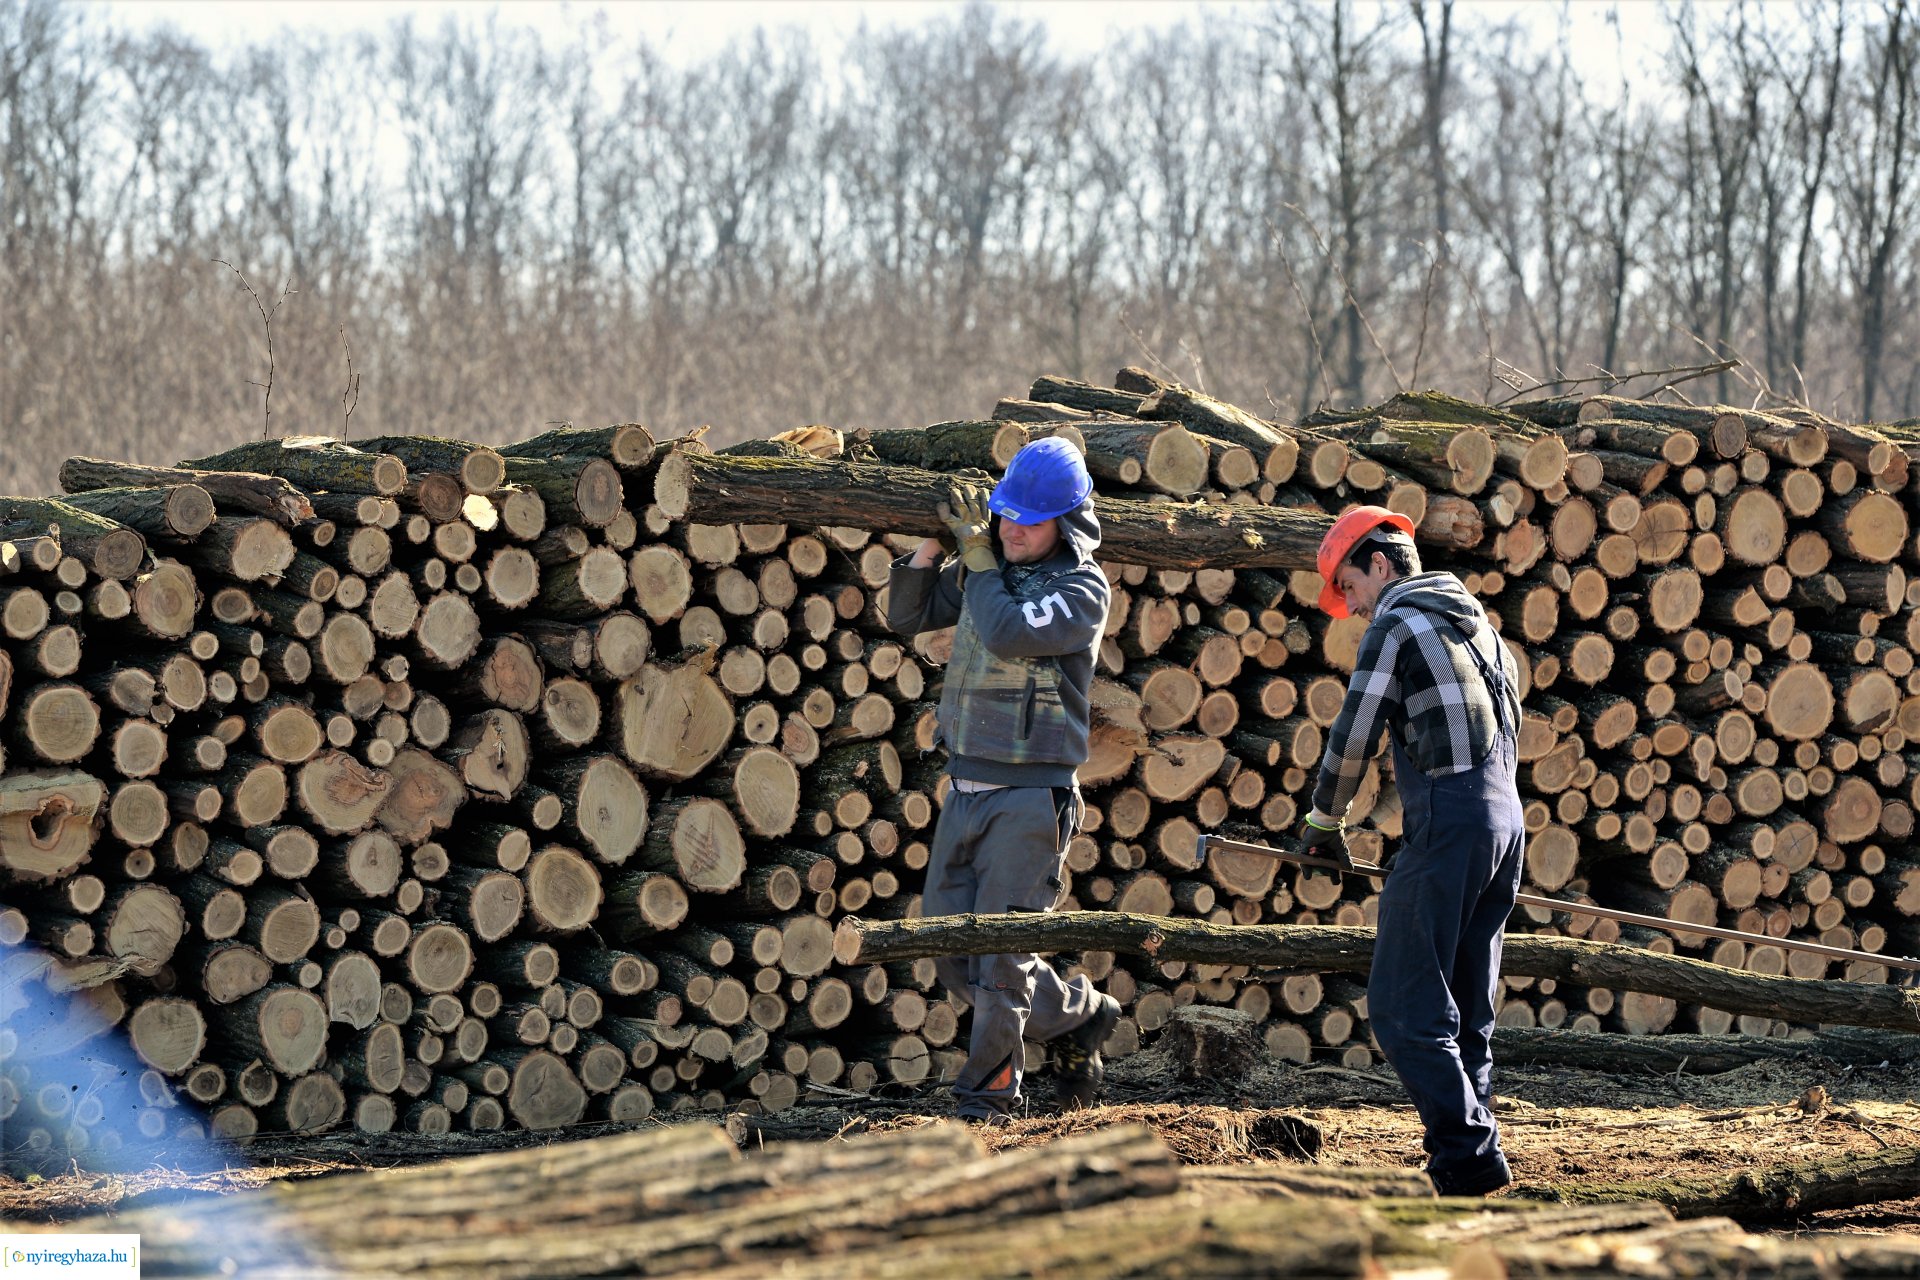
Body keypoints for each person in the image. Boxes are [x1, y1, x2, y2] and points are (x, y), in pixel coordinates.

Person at [885, 437, 1121, 1123]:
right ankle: (1077, 1015)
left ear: (1067, 523)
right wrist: (934, 548)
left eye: (1030, 518)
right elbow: (904, 615)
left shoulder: (1082, 589)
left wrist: (978, 555)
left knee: (1000, 961)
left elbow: (1008, 631)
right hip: (964, 787)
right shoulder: (985, 566)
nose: (1012, 528)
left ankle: (986, 1101)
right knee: (953, 952)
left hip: (1030, 799)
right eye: (1004, 514)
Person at [1301, 505, 1525, 1196]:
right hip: (1506, 823)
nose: (1354, 608)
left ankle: (1468, 1156)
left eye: (1350, 586)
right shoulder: (1479, 625)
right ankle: (1463, 1153)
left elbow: (1355, 732)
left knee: (1402, 1007)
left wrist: (1322, 822)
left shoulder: (1398, 620)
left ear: (1379, 562)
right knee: (1468, 1005)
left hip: (1452, 821)